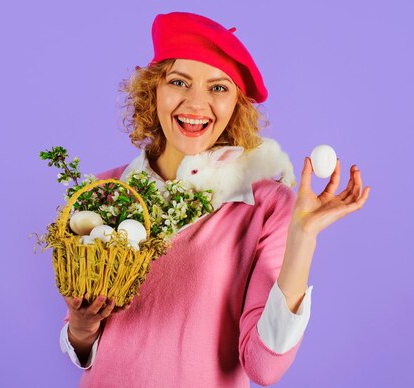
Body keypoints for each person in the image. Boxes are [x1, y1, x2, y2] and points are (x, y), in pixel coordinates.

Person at [59, 11, 371, 387]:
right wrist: (81, 326)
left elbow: (263, 368)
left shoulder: (266, 205)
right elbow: (84, 346)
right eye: (179, 81)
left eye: (218, 88)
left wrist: (303, 237)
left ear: (236, 105)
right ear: (152, 90)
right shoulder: (104, 192)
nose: (196, 103)